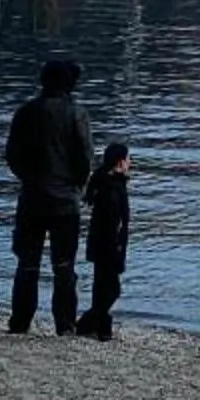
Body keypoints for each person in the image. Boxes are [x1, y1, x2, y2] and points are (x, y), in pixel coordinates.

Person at [4, 56, 94, 334]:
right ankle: (65, 324)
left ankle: (20, 321)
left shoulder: (26, 111)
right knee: (64, 265)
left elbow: (12, 155)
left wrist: (29, 178)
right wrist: (77, 187)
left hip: (32, 197)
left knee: (27, 264)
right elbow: (85, 158)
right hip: (65, 202)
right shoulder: (76, 113)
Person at [82, 142, 132, 341]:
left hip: (100, 244)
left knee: (101, 286)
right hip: (108, 245)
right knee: (111, 289)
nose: (130, 163)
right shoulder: (113, 188)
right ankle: (94, 323)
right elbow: (114, 221)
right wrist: (117, 247)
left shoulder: (104, 182)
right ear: (120, 162)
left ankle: (97, 324)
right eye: (128, 159)